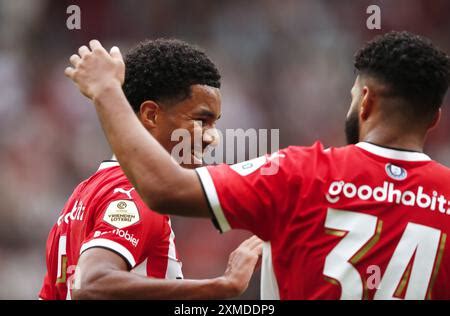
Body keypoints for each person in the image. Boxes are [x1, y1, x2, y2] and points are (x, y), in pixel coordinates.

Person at [64, 31, 450, 299]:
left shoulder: (303, 172)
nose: (212, 136)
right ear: (434, 118)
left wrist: (106, 91)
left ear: (364, 101)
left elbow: (165, 189)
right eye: (203, 121)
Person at [40, 39, 262, 300]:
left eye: (214, 124)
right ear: (151, 115)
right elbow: (90, 284)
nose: (212, 137)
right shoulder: (140, 194)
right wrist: (222, 286)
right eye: (202, 120)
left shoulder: (80, 198)